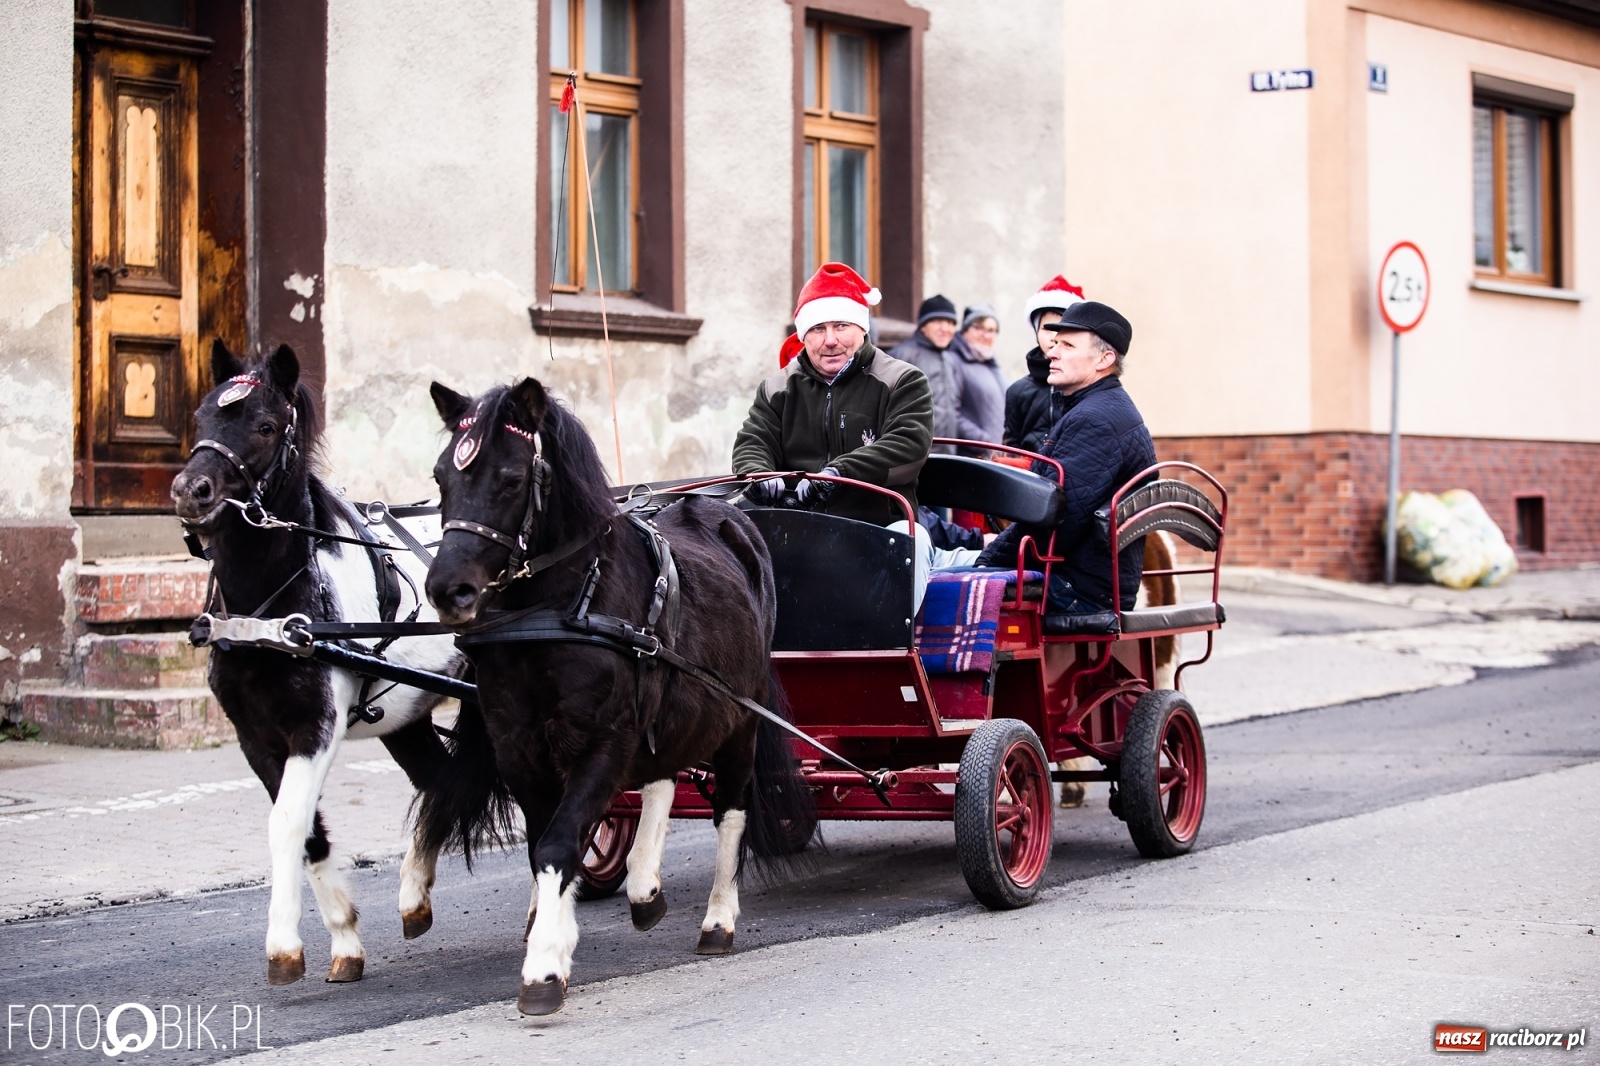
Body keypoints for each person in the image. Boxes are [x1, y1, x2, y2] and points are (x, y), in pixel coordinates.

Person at [977, 300, 1155, 616]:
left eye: (1068, 345)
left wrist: (986, 562)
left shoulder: (1095, 419)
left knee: (947, 589)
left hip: (1078, 590)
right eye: (1055, 342)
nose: (1053, 353)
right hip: (1090, 581)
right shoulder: (1099, 407)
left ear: (1105, 359)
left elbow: (1053, 522)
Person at [733, 262, 933, 528]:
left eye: (841, 326)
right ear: (803, 336)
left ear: (862, 329)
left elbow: (909, 447)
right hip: (795, 526)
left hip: (878, 529)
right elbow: (753, 441)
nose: (829, 340)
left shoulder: (903, 380)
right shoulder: (777, 388)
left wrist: (838, 474)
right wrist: (757, 474)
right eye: (817, 328)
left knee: (911, 539)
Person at [1004, 275, 1087, 453]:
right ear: (1036, 331)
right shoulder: (1017, 391)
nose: (1053, 336)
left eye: (1061, 327)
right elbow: (1010, 446)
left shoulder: (1085, 385)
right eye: (1046, 328)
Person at [888, 295, 964, 453]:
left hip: (948, 456)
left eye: (950, 323)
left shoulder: (950, 360)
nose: (945, 328)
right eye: (938, 321)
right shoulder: (902, 355)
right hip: (915, 457)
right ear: (922, 326)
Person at [952, 303, 1006, 447]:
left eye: (991, 330)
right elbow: (950, 414)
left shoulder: (991, 363)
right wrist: (984, 441)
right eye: (978, 328)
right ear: (965, 330)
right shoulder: (954, 362)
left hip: (996, 455)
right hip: (974, 456)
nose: (985, 335)